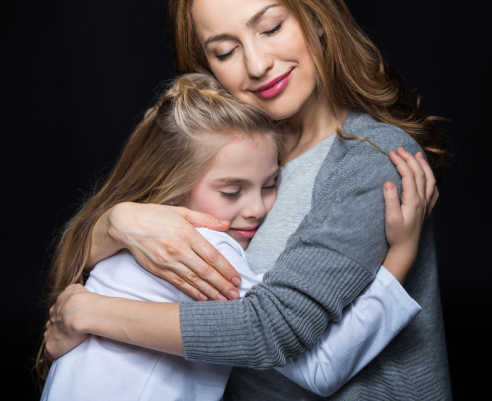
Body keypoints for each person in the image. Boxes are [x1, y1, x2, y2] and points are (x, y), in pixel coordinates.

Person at [44, 0, 451, 399]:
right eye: (225, 51)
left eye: (271, 27)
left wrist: (91, 313)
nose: (257, 65)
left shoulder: (369, 159)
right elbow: (80, 267)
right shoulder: (223, 155)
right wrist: (116, 222)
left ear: (318, 18)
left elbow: (273, 331)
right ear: (206, 65)